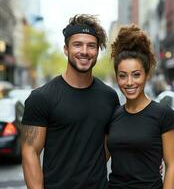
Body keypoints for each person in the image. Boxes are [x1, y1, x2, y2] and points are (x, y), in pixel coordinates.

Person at [21, 14, 119, 189]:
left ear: (97, 51)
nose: (85, 51)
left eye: (91, 46)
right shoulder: (41, 98)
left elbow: (108, 146)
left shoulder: (109, 97)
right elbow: (30, 152)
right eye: (77, 44)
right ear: (66, 49)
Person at [107, 24, 174, 189]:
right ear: (117, 78)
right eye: (123, 76)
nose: (129, 82)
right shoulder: (113, 115)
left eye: (136, 75)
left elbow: (172, 166)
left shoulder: (164, 115)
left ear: (147, 74)